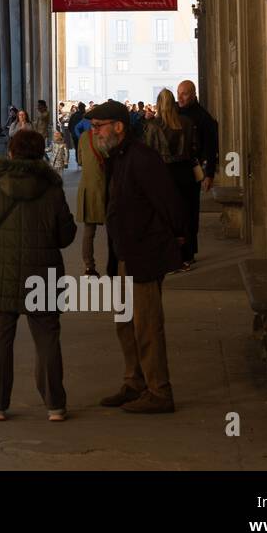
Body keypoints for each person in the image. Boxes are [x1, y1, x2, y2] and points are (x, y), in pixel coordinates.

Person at [0, 128, 77, 421]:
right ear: (41, 155)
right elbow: (66, 236)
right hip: (43, 273)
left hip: (0, 271)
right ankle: (55, 405)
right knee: (47, 338)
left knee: (0, 338)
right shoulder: (52, 188)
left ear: (10, 152)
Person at [86, 100, 186, 414]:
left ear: (119, 126)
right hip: (125, 254)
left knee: (147, 325)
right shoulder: (117, 157)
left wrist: (174, 243)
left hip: (145, 254)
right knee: (125, 323)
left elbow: (168, 203)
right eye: (93, 128)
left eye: (99, 126)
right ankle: (134, 382)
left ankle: (159, 390)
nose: (95, 133)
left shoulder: (142, 158)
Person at [143, 88, 199, 270]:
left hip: (163, 174)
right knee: (186, 215)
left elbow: (148, 153)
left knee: (166, 216)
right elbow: (194, 148)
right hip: (185, 173)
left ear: (158, 104)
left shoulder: (152, 126)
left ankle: (170, 256)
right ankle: (187, 256)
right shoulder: (187, 122)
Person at [176, 79, 218, 266]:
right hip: (176, 171)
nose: (180, 97)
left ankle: (189, 252)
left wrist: (209, 174)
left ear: (193, 94)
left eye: (184, 93)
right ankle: (179, 251)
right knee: (177, 212)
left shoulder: (203, 118)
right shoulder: (175, 113)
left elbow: (211, 147)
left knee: (190, 211)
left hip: (193, 170)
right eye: (179, 93)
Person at [74, 121, 107, 277]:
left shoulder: (83, 137)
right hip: (104, 187)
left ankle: (89, 267)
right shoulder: (103, 137)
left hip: (87, 188)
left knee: (89, 232)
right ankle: (117, 266)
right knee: (114, 231)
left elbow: (80, 160)